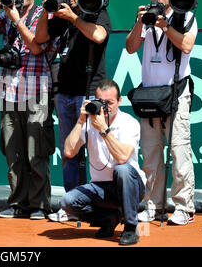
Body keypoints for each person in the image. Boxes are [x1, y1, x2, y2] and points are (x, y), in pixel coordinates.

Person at [35, 0, 111, 222]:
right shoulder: (60, 13)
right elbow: (40, 37)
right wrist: (48, 11)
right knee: (70, 152)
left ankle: (105, 204)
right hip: (65, 92)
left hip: (89, 92)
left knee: (98, 150)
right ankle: (71, 204)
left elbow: (99, 35)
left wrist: (73, 17)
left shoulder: (96, 9)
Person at [0, 0, 55, 220]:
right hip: (9, 91)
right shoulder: (5, 11)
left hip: (36, 92)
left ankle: (39, 204)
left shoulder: (44, 14)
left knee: (36, 152)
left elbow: (35, 46)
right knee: (13, 153)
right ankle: (18, 202)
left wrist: (16, 19)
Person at [126, 0, 197, 225]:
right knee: (150, 153)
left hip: (176, 95)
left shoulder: (185, 17)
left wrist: (165, 26)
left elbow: (186, 45)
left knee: (179, 152)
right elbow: (130, 47)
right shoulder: (146, 17)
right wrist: (139, 23)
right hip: (150, 96)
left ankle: (184, 207)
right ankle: (154, 205)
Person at [61, 79, 146, 245]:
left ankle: (130, 227)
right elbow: (69, 152)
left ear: (120, 101)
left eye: (110, 102)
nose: (105, 107)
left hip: (130, 186)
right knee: (67, 201)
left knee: (122, 169)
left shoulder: (129, 122)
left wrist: (104, 130)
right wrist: (80, 121)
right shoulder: (89, 122)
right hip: (100, 187)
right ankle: (108, 219)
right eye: (101, 102)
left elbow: (122, 158)